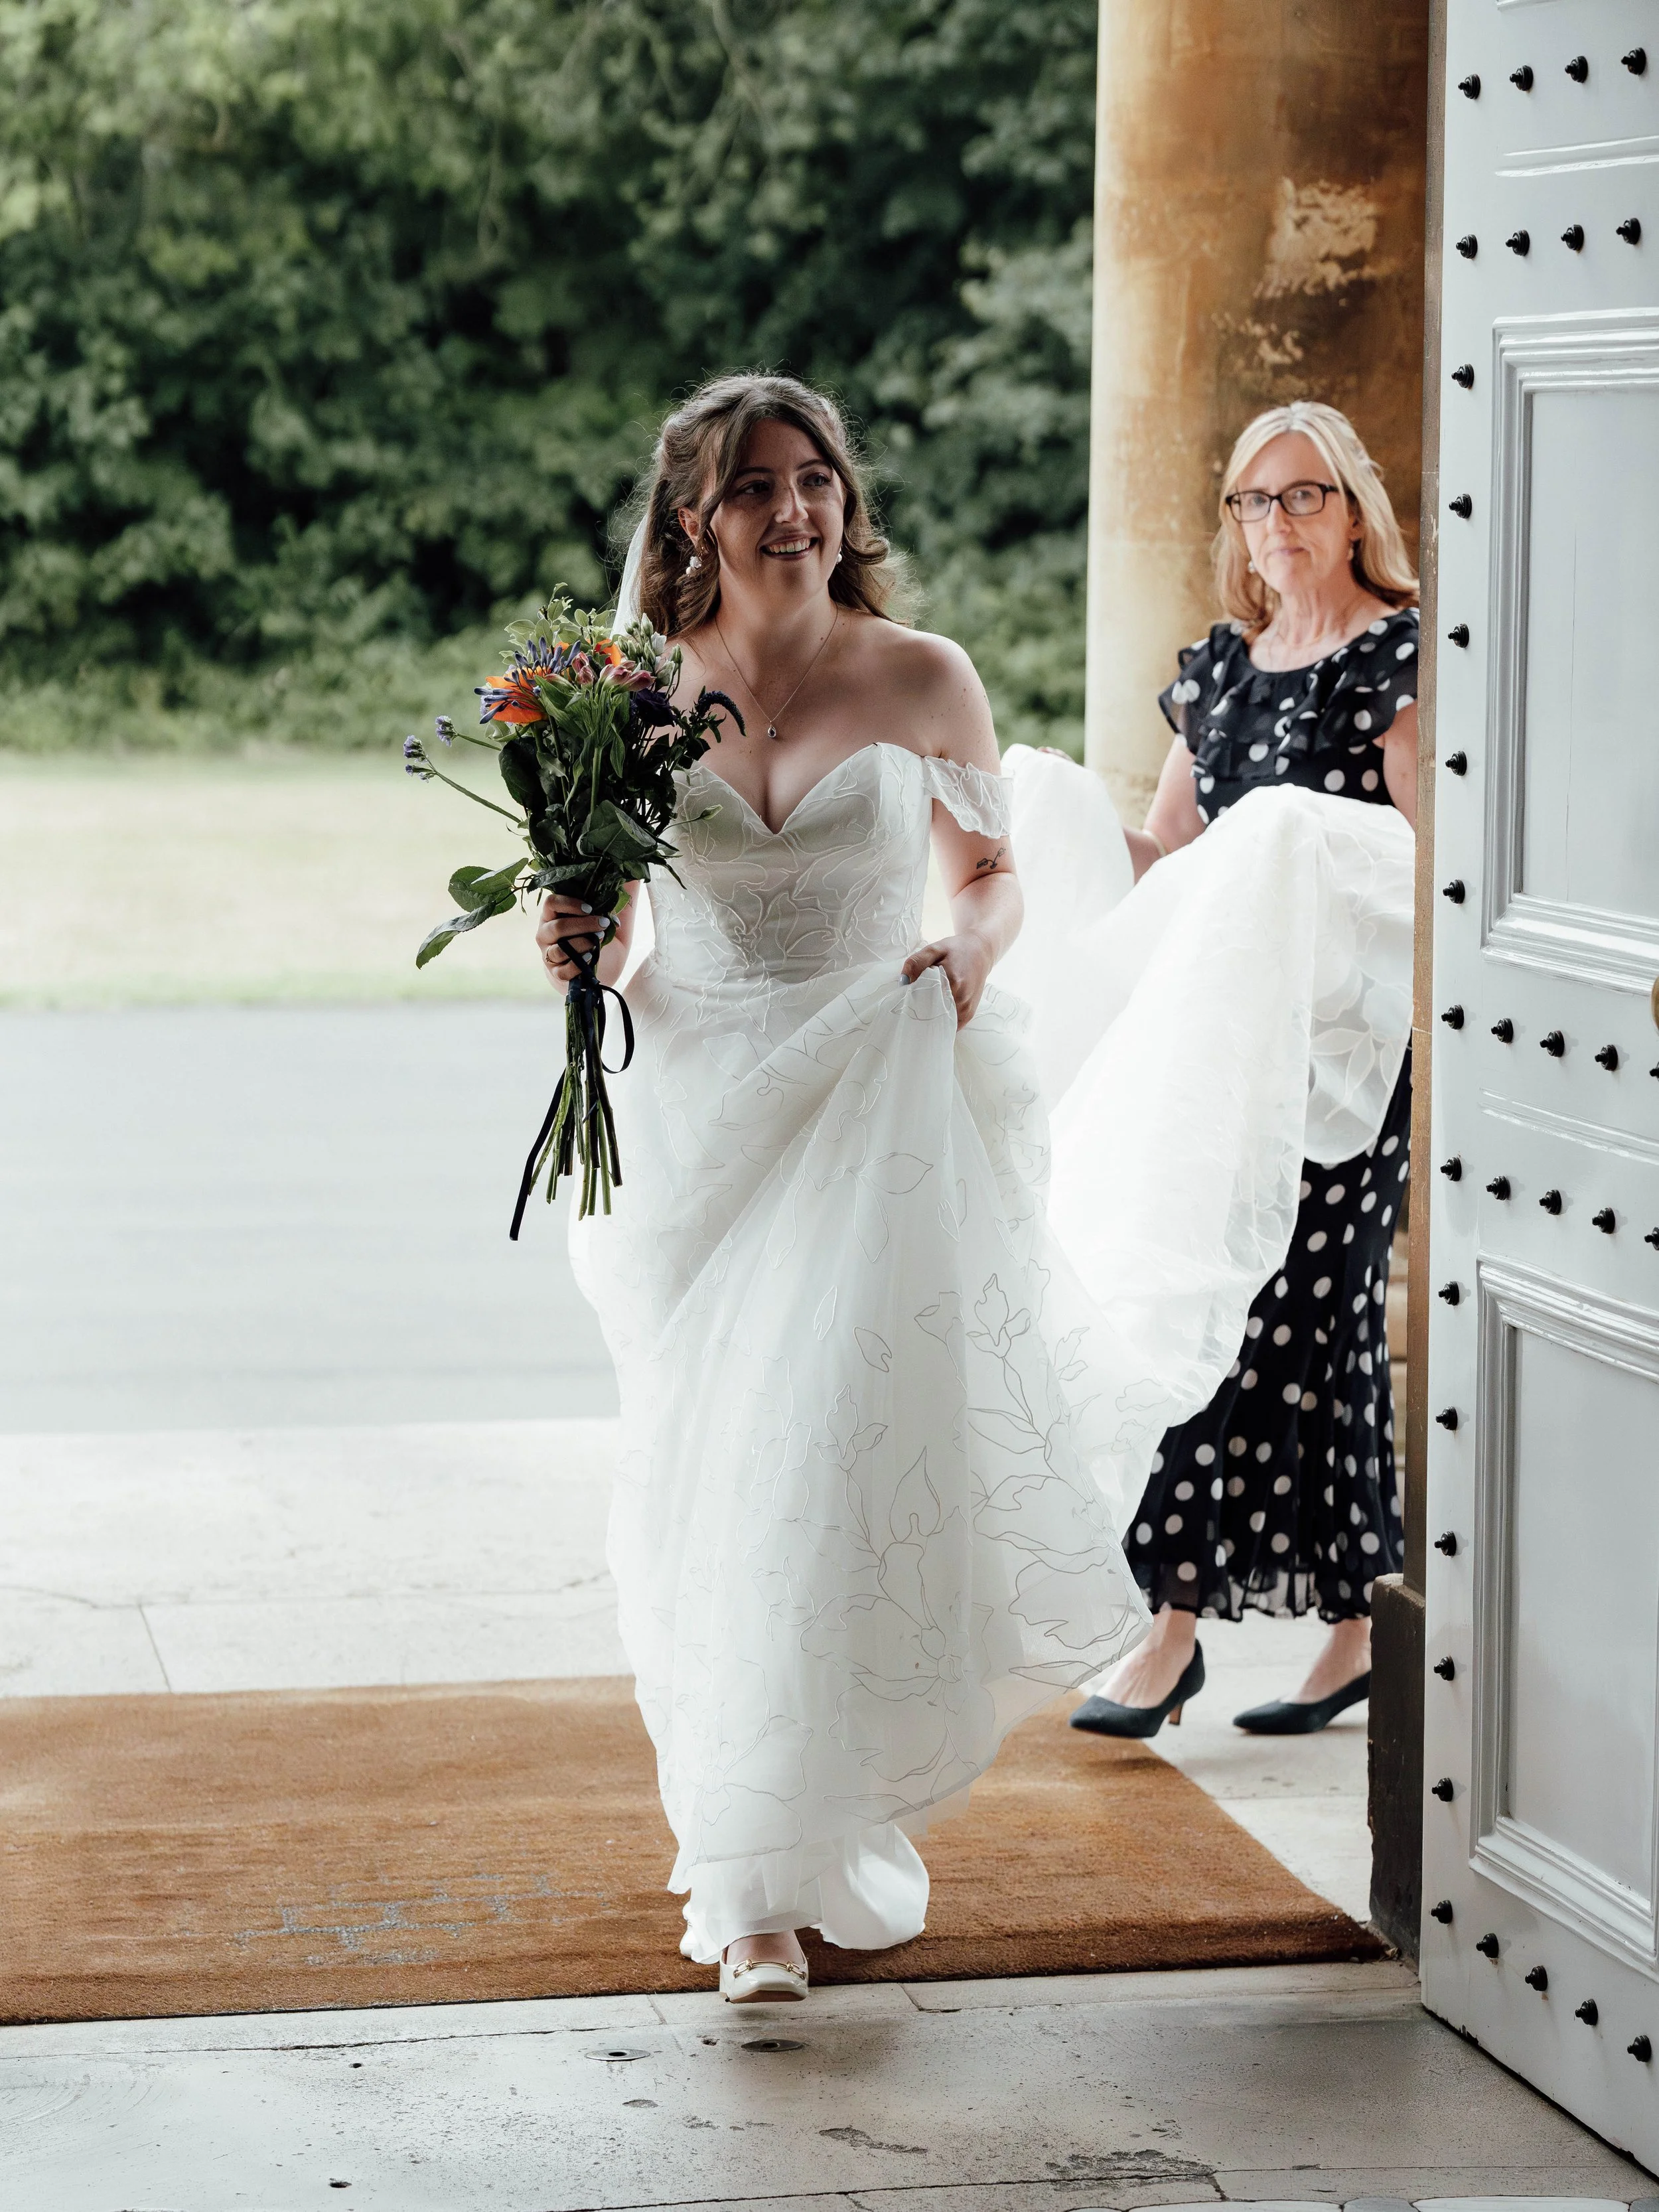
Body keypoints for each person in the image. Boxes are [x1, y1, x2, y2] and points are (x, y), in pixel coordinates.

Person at [535, 374, 1412, 2005]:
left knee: (818, 1461)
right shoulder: (629, 703)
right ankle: (744, 1842)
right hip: (708, 1118)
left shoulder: (919, 676)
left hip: (876, 1108)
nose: (793, 512)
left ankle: (756, 1890)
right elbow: (613, 911)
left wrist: (967, 950)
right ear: (689, 521)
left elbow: (991, 876)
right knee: (706, 1477)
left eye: (813, 480)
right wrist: (578, 947)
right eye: (752, 487)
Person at [1070, 399, 1419, 1745]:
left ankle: (1166, 1626)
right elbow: (1171, 851)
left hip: (1344, 1057)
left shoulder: (1391, 660)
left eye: (1301, 496)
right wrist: (1041, 828)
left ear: (1350, 510)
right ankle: (1354, 1622)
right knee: (1293, 1326)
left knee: (1266, 1313)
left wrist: (1285, 836)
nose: (1273, 525)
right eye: (1251, 502)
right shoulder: (1216, 670)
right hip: (1223, 1050)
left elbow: (1419, 860)